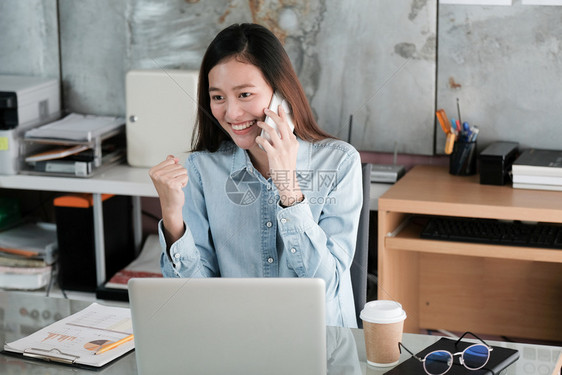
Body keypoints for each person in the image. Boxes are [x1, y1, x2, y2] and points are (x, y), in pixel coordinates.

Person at [149, 23, 363, 328]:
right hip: (237, 344)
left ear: (280, 95)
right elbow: (190, 299)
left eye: (245, 94)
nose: (232, 113)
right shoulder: (201, 169)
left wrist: (288, 188)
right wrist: (172, 218)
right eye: (218, 97)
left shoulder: (340, 163)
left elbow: (327, 286)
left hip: (320, 350)